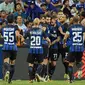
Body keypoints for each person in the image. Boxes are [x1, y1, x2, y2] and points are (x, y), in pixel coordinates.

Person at [24, 18, 51, 83]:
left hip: (32, 49)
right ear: (39, 23)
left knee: (30, 64)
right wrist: (49, 44)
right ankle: (37, 73)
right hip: (39, 49)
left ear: (33, 23)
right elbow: (48, 40)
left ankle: (31, 79)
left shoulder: (29, 30)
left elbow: (23, 39)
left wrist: (25, 43)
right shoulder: (41, 31)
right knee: (41, 63)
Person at [0, 14, 24, 83]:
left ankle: (7, 70)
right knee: (12, 63)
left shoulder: (3, 28)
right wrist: (20, 38)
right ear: (13, 20)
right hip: (13, 47)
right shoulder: (15, 27)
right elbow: (17, 35)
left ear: (7, 20)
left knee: (5, 62)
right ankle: (10, 80)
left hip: (6, 46)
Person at [63, 15, 85, 83]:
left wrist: (64, 43)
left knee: (70, 63)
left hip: (73, 47)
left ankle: (71, 80)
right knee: (78, 61)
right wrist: (81, 42)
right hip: (80, 47)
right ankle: (80, 69)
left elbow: (65, 37)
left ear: (73, 20)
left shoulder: (70, 27)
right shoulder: (82, 27)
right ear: (79, 20)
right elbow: (84, 36)